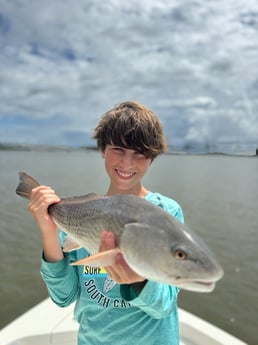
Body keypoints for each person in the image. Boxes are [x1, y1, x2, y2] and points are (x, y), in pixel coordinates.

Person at [28, 101, 184, 345]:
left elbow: (163, 306)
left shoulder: (165, 212)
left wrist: (137, 279)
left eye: (140, 154)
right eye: (118, 149)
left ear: (152, 157)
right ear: (102, 149)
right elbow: (63, 297)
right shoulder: (80, 214)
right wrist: (49, 233)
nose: (127, 163)